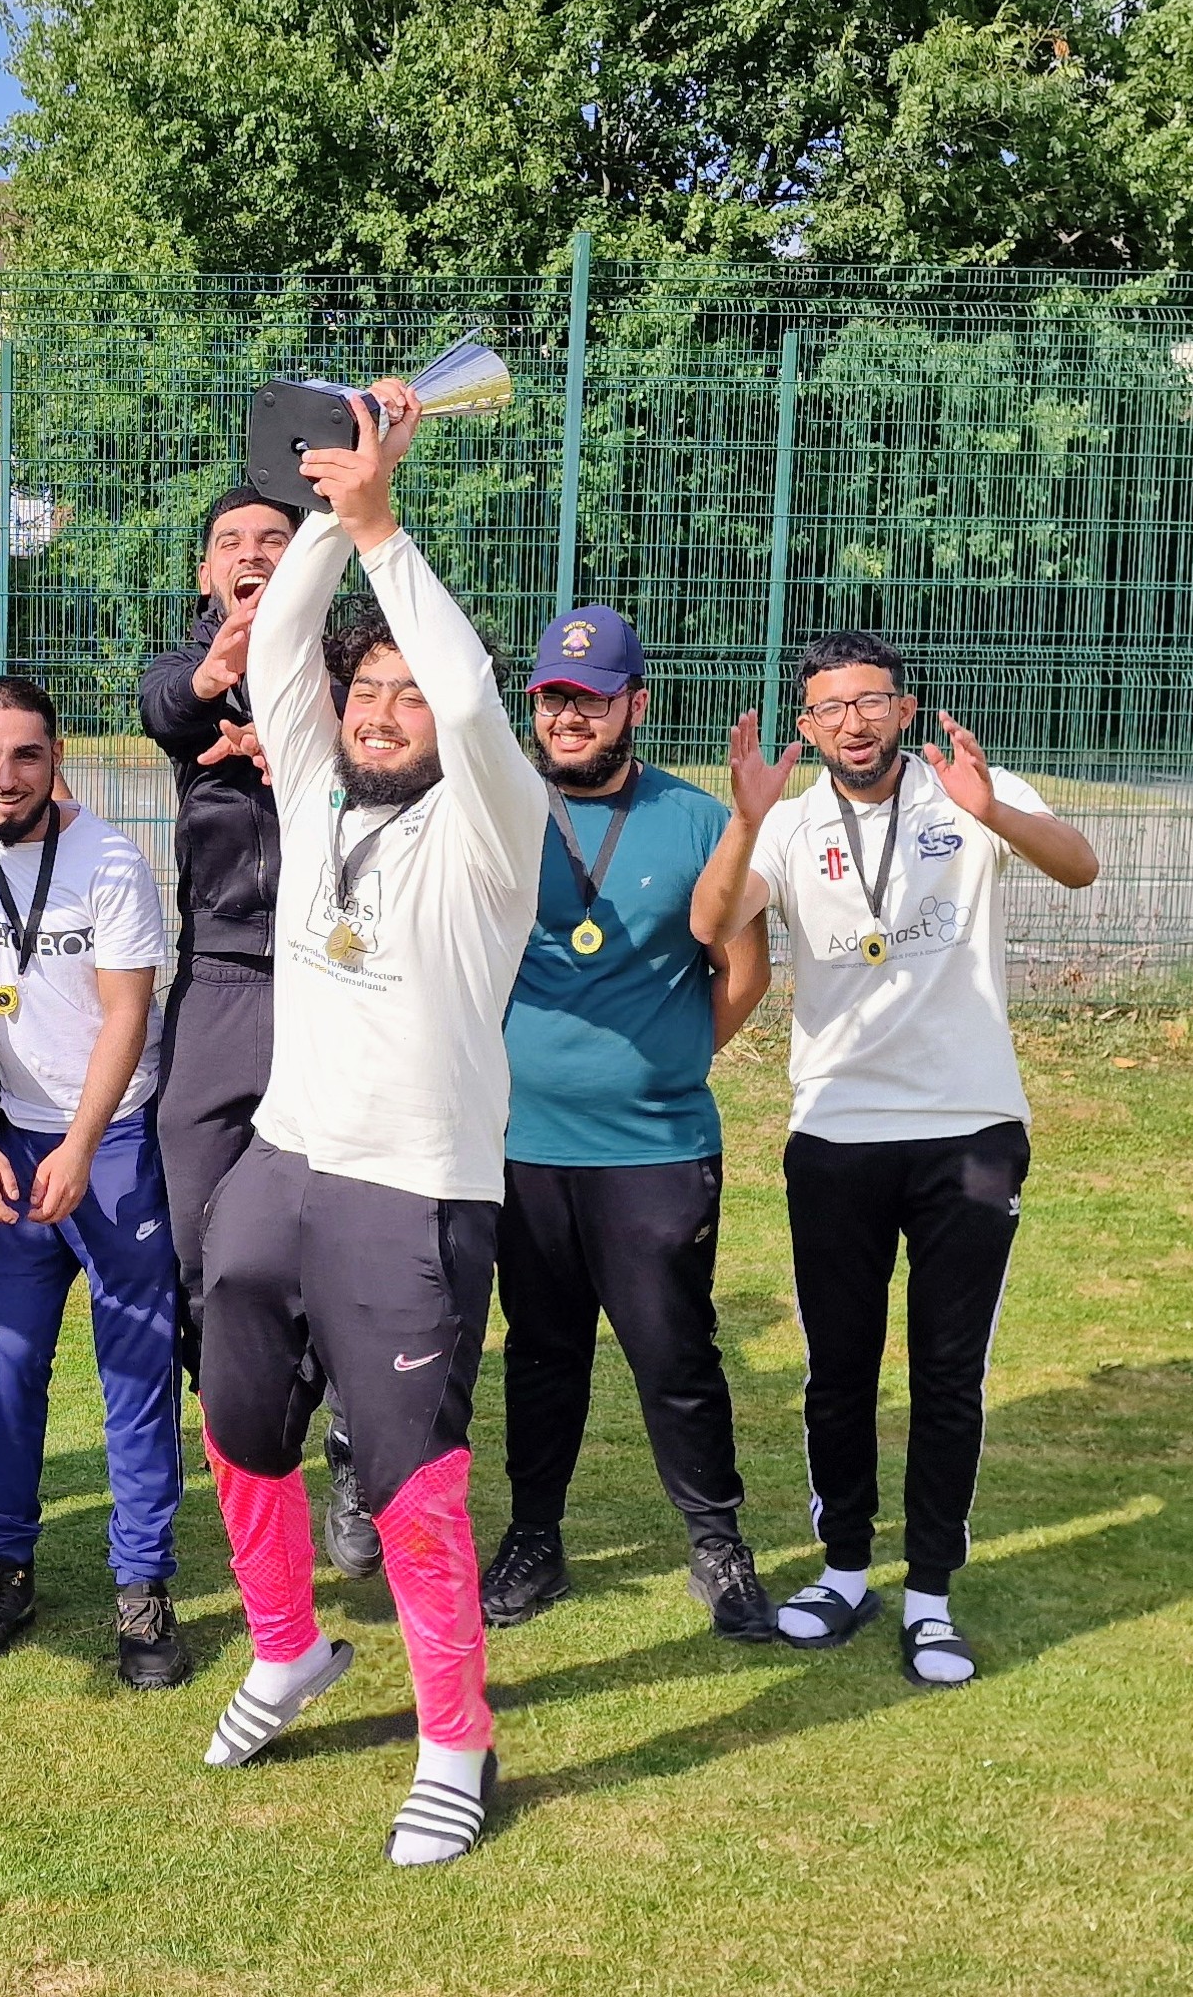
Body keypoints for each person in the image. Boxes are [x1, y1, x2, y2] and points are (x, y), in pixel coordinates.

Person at [192, 385, 546, 1868]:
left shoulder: (489, 826)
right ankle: (283, 1651)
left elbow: (469, 702)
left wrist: (385, 525)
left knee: (409, 1484)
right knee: (237, 1434)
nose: (384, 711)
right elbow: (278, 649)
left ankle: (454, 1743)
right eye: (367, 694)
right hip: (277, 1170)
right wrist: (332, 527)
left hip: (408, 1194)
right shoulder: (319, 804)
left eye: (400, 695)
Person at [690, 632, 1098, 1687]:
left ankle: (930, 1592)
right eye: (830, 708)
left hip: (968, 1127)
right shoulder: (785, 825)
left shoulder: (973, 789)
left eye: (870, 702)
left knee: (948, 1369)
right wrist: (742, 820)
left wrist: (993, 810)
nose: (853, 723)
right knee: (839, 1365)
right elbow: (707, 922)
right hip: (836, 1132)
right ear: (808, 724)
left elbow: (1081, 865)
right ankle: (843, 1569)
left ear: (904, 708)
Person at [480, 605, 778, 1642]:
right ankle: (535, 1535)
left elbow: (744, 967)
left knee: (674, 1350)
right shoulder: (501, 810)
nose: (567, 715)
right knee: (541, 1352)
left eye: (590, 697)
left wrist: (676, 1057)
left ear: (634, 705)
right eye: (554, 697)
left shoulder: (700, 819)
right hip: (523, 1146)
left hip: (657, 1144)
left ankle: (717, 1539)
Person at [0, 675, 190, 1688]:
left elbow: (125, 1015)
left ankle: (143, 1585)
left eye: (23, 753)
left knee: (135, 1372)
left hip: (111, 1146)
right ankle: (8, 1566)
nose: (2, 775)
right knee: (6, 1369)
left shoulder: (110, 858)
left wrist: (79, 1142)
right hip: (14, 1148)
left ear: (55, 753)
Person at [138, 486, 384, 1579]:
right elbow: (165, 709)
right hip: (222, 989)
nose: (250, 553)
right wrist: (216, 674)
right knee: (199, 1247)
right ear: (206, 575)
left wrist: (317, 754)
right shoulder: (196, 669)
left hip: (334, 984)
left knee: (341, 1235)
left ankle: (351, 1454)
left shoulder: (345, 673)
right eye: (229, 543)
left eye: (274, 540)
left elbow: (408, 769)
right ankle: (248, 1448)